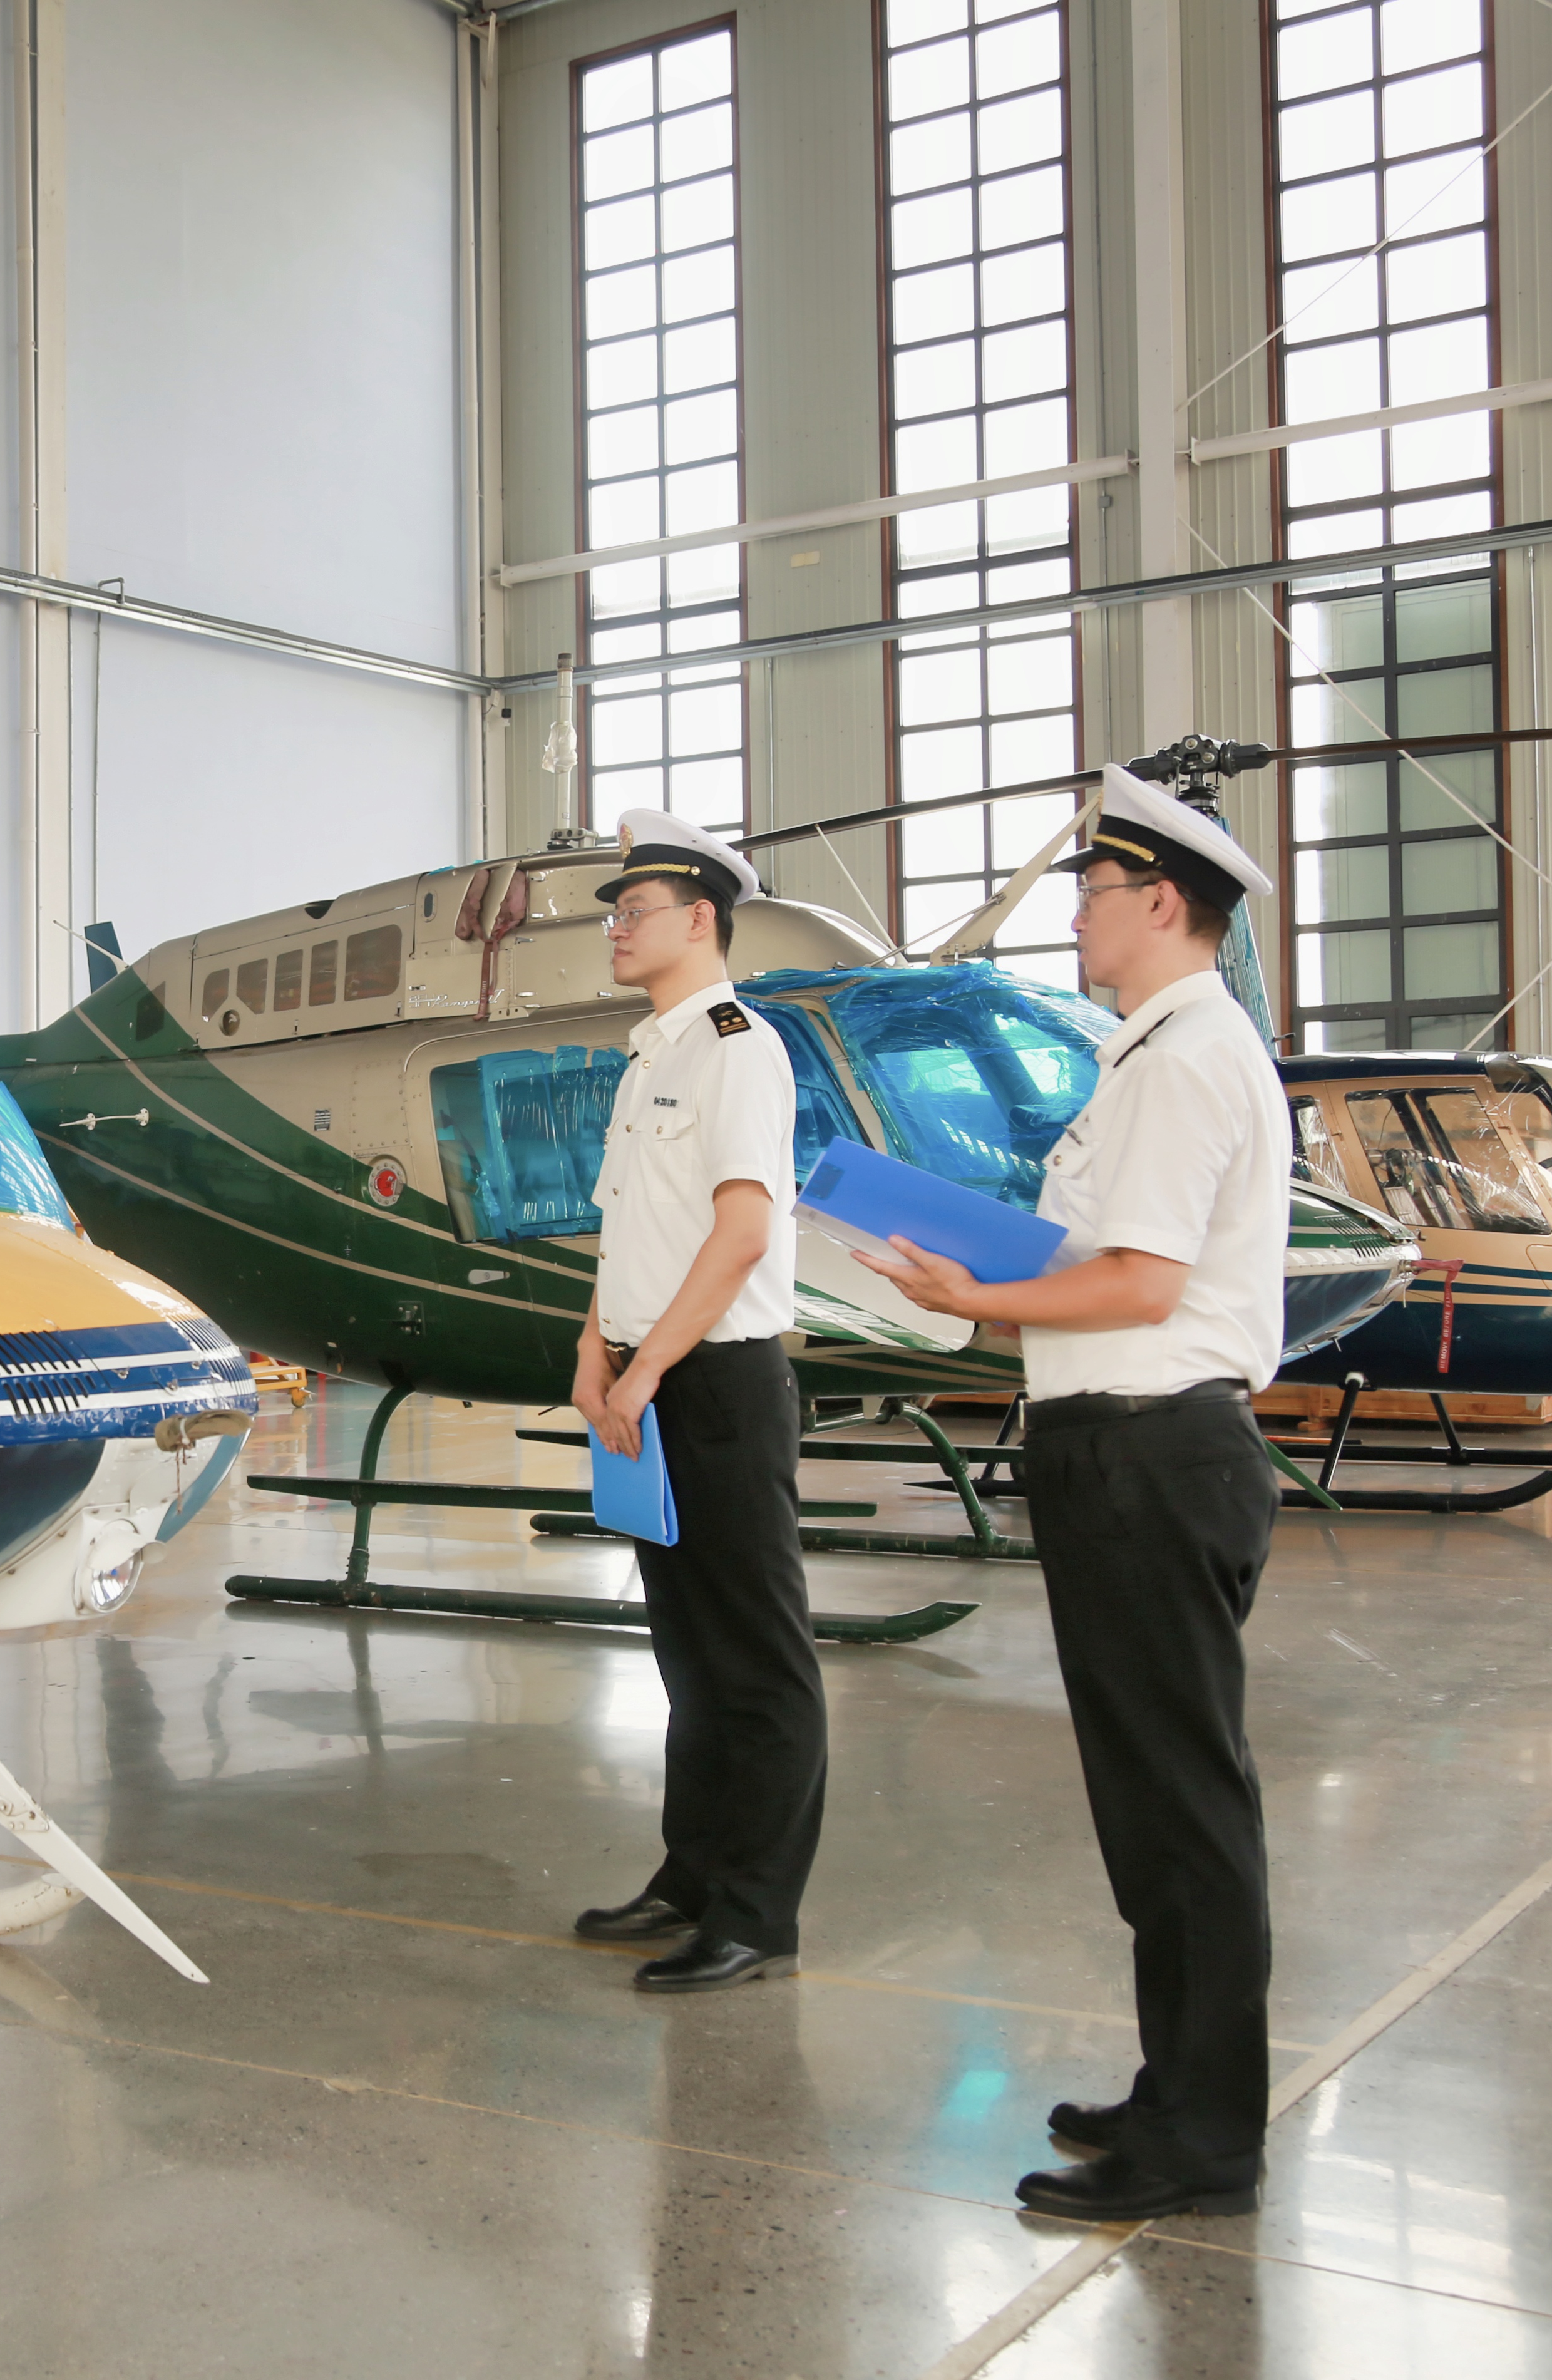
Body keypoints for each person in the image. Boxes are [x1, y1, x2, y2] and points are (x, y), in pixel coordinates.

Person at [853, 767, 1289, 2221]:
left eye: (1093, 892)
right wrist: (980, 1281)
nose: (1078, 917)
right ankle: (1176, 2088)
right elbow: (1105, 1267)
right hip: (1125, 1444)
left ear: (1161, 901)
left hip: (1152, 1448)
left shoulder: (1180, 1059)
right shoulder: (1153, 1052)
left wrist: (973, 1295)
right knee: (1149, 1800)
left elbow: (1141, 1283)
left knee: (1182, 1804)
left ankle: (1208, 2138)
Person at [566, 808, 825, 1995]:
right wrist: (593, 1348)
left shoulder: (737, 1047)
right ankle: (692, 1874)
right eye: (615, 913)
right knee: (687, 1650)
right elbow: (628, 1230)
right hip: (645, 1371)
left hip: (713, 1377)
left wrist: (646, 1366)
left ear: (700, 920)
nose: (616, 928)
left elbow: (741, 1233)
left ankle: (757, 1912)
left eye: (635, 911)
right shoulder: (650, 1055)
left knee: (754, 1655)